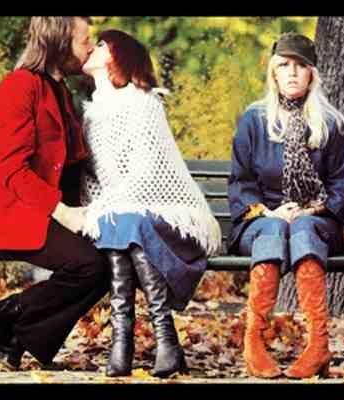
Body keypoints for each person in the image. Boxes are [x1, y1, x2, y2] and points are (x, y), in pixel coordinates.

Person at [0, 17, 110, 370]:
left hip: (46, 212)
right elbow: (11, 169)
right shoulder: (18, 87)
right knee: (90, 266)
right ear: (59, 42)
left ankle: (12, 335)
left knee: (108, 261)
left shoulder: (61, 91)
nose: (89, 48)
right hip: (15, 213)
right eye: (84, 40)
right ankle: (10, 317)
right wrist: (63, 212)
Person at [79, 30, 222, 378]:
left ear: (118, 55)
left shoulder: (144, 103)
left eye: (101, 43)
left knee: (126, 221)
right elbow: (92, 181)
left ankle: (134, 341)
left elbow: (147, 177)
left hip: (167, 217)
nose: (92, 47)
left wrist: (106, 209)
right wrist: (100, 209)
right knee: (120, 222)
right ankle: (152, 340)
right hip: (123, 217)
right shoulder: (91, 116)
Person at [228, 33, 344, 379]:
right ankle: (253, 343)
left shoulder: (331, 123)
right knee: (273, 228)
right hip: (261, 220)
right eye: (284, 65)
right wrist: (269, 213)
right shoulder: (254, 120)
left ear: (312, 74)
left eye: (301, 65)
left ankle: (318, 345)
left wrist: (312, 210)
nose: (293, 72)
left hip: (317, 219)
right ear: (274, 72)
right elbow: (240, 181)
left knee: (302, 227)